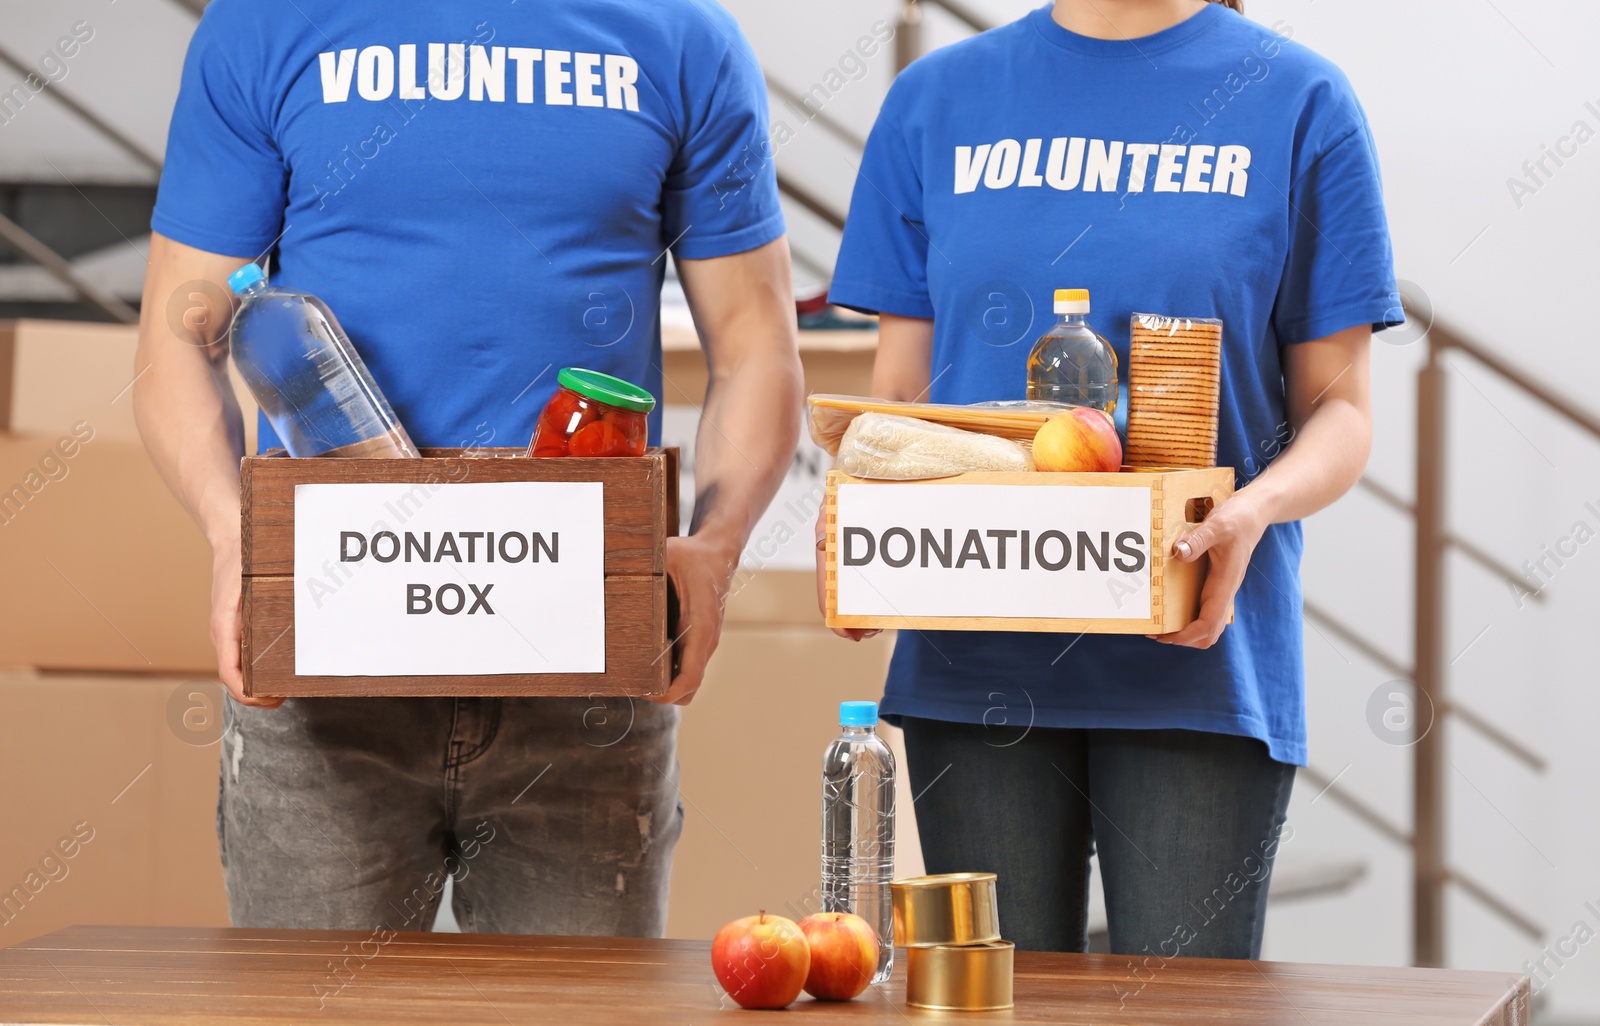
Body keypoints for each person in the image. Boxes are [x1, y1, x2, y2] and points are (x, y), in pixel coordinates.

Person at [135, 0, 802, 938]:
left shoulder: (681, 36)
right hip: (327, 660)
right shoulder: (267, 26)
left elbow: (756, 346)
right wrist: (228, 530)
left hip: (584, 672)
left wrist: (716, 544)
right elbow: (177, 337)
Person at [822, 0, 1396, 958]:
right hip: (977, 661)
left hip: (1198, 658)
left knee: (1184, 1017)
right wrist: (857, 525)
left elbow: (1342, 412)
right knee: (991, 1011)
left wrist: (1251, 511)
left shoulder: (1298, 101)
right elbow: (898, 399)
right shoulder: (937, 100)